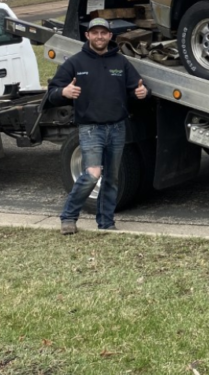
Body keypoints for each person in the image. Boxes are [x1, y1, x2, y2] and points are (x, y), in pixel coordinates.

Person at [48, 17, 149, 235]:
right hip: (91, 128)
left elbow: (137, 89)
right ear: (88, 35)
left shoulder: (120, 62)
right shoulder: (75, 63)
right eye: (95, 33)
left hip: (117, 128)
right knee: (93, 174)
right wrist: (63, 92)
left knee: (111, 179)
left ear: (110, 36)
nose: (100, 36)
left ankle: (106, 222)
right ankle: (68, 217)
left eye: (104, 33)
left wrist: (141, 93)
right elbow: (52, 92)